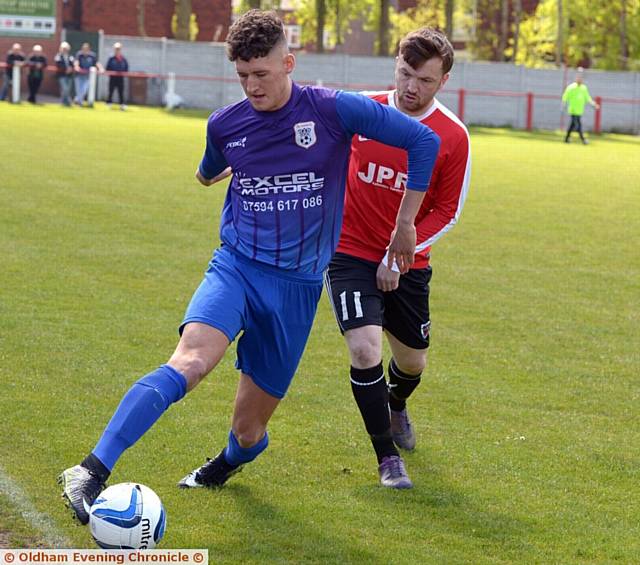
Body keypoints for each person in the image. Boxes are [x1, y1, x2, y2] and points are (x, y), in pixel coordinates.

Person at [58, 9, 441, 525]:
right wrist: (221, 169)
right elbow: (207, 170)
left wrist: (405, 225)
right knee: (189, 363)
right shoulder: (226, 124)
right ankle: (89, 470)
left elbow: (424, 141)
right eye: (242, 76)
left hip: (297, 289)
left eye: (261, 74)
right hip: (236, 268)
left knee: (248, 433)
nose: (251, 86)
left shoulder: (333, 110)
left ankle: (226, 464)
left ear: (289, 62)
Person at [326, 27, 471, 489]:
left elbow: (448, 211)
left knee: (413, 363)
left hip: (409, 261)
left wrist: (400, 252)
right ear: (396, 65)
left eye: (425, 80)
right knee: (365, 348)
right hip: (348, 251)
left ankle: (397, 404)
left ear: (443, 81)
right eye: (406, 74)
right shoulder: (362, 110)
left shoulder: (452, 135)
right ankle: (387, 457)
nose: (412, 87)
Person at [562, 69, 599, 145]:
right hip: (573, 110)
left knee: (572, 125)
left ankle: (566, 139)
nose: (580, 79)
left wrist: (594, 104)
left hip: (579, 110)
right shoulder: (571, 87)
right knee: (578, 125)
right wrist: (563, 104)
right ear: (576, 78)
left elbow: (588, 98)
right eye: (578, 78)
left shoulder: (583, 88)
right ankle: (583, 139)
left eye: (581, 78)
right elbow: (565, 96)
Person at [73, 42, 102, 106]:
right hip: (79, 76)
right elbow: (76, 62)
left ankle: (78, 100)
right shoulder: (79, 54)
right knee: (78, 90)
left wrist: (101, 68)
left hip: (87, 76)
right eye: (84, 49)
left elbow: (97, 63)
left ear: (89, 49)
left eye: (86, 49)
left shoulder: (92, 55)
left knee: (84, 90)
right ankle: (79, 102)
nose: (85, 50)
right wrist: (76, 67)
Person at [105, 42, 129, 110]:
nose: (117, 50)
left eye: (119, 49)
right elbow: (108, 67)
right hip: (112, 77)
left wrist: (123, 73)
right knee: (111, 90)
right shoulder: (111, 58)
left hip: (120, 78)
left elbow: (126, 67)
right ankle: (109, 103)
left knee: (121, 91)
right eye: (116, 49)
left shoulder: (123, 58)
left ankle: (122, 104)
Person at [54, 42, 74, 107]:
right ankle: (66, 101)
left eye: (66, 48)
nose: (65, 50)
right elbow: (58, 64)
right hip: (61, 75)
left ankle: (65, 102)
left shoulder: (70, 56)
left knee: (68, 89)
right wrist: (66, 69)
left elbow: (73, 64)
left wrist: (70, 68)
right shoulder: (58, 56)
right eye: (64, 48)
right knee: (65, 88)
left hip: (69, 75)